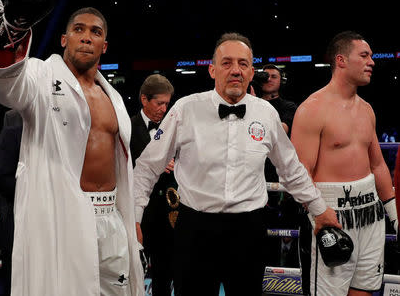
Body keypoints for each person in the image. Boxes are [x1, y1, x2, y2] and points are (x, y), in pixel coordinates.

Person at [134, 32, 340, 295]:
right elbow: (148, 167)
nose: (236, 70)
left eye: (243, 64)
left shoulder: (266, 113)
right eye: (227, 63)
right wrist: (135, 219)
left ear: (252, 72)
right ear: (212, 70)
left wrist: (319, 208)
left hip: (248, 231)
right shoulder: (185, 109)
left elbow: (290, 168)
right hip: (195, 228)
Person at [0, 0, 143, 296]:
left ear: (104, 45)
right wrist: (16, 24)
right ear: (64, 39)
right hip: (64, 217)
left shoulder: (115, 99)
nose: (86, 37)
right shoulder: (39, 77)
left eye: (95, 32)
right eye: (78, 29)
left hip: (112, 216)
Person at [291, 31, 398, 296]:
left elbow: (378, 166)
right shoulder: (312, 109)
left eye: (371, 56)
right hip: (329, 214)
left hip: (370, 213)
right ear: (341, 60)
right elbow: (299, 172)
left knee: (364, 289)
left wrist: (396, 216)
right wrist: (317, 211)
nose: (371, 61)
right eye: (364, 55)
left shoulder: (366, 109)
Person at [130, 74, 176, 295]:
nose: (164, 109)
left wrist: (177, 163)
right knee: (132, 271)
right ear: (144, 100)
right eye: (159, 103)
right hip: (137, 213)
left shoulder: (172, 129)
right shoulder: (127, 128)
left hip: (167, 214)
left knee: (164, 274)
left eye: (167, 103)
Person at [257, 64, 300, 267]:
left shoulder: (289, 107)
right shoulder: (248, 103)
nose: (269, 79)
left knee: (282, 237)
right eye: (265, 76)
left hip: (278, 181)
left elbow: (281, 130)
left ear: (281, 81)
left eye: (274, 76)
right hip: (253, 177)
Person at [0, 109, 23, 295]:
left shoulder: (62, 117)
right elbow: (0, 175)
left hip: (53, 221)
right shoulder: (14, 119)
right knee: (14, 281)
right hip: (16, 216)